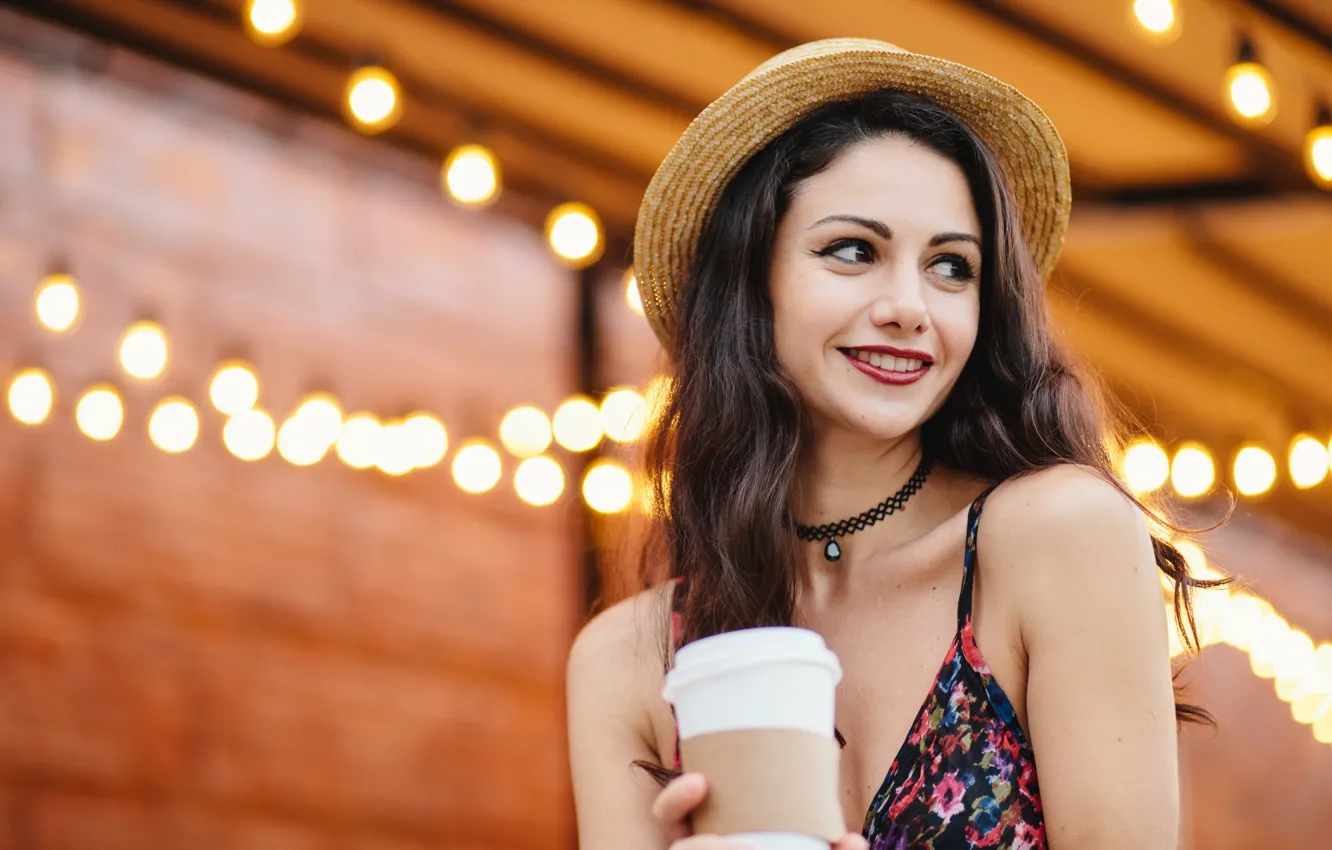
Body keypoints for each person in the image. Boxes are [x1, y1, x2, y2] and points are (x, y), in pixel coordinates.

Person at [568, 38, 1213, 850]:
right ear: (748, 282)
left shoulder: (1059, 534)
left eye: (952, 267)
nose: (911, 305)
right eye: (853, 251)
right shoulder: (625, 663)